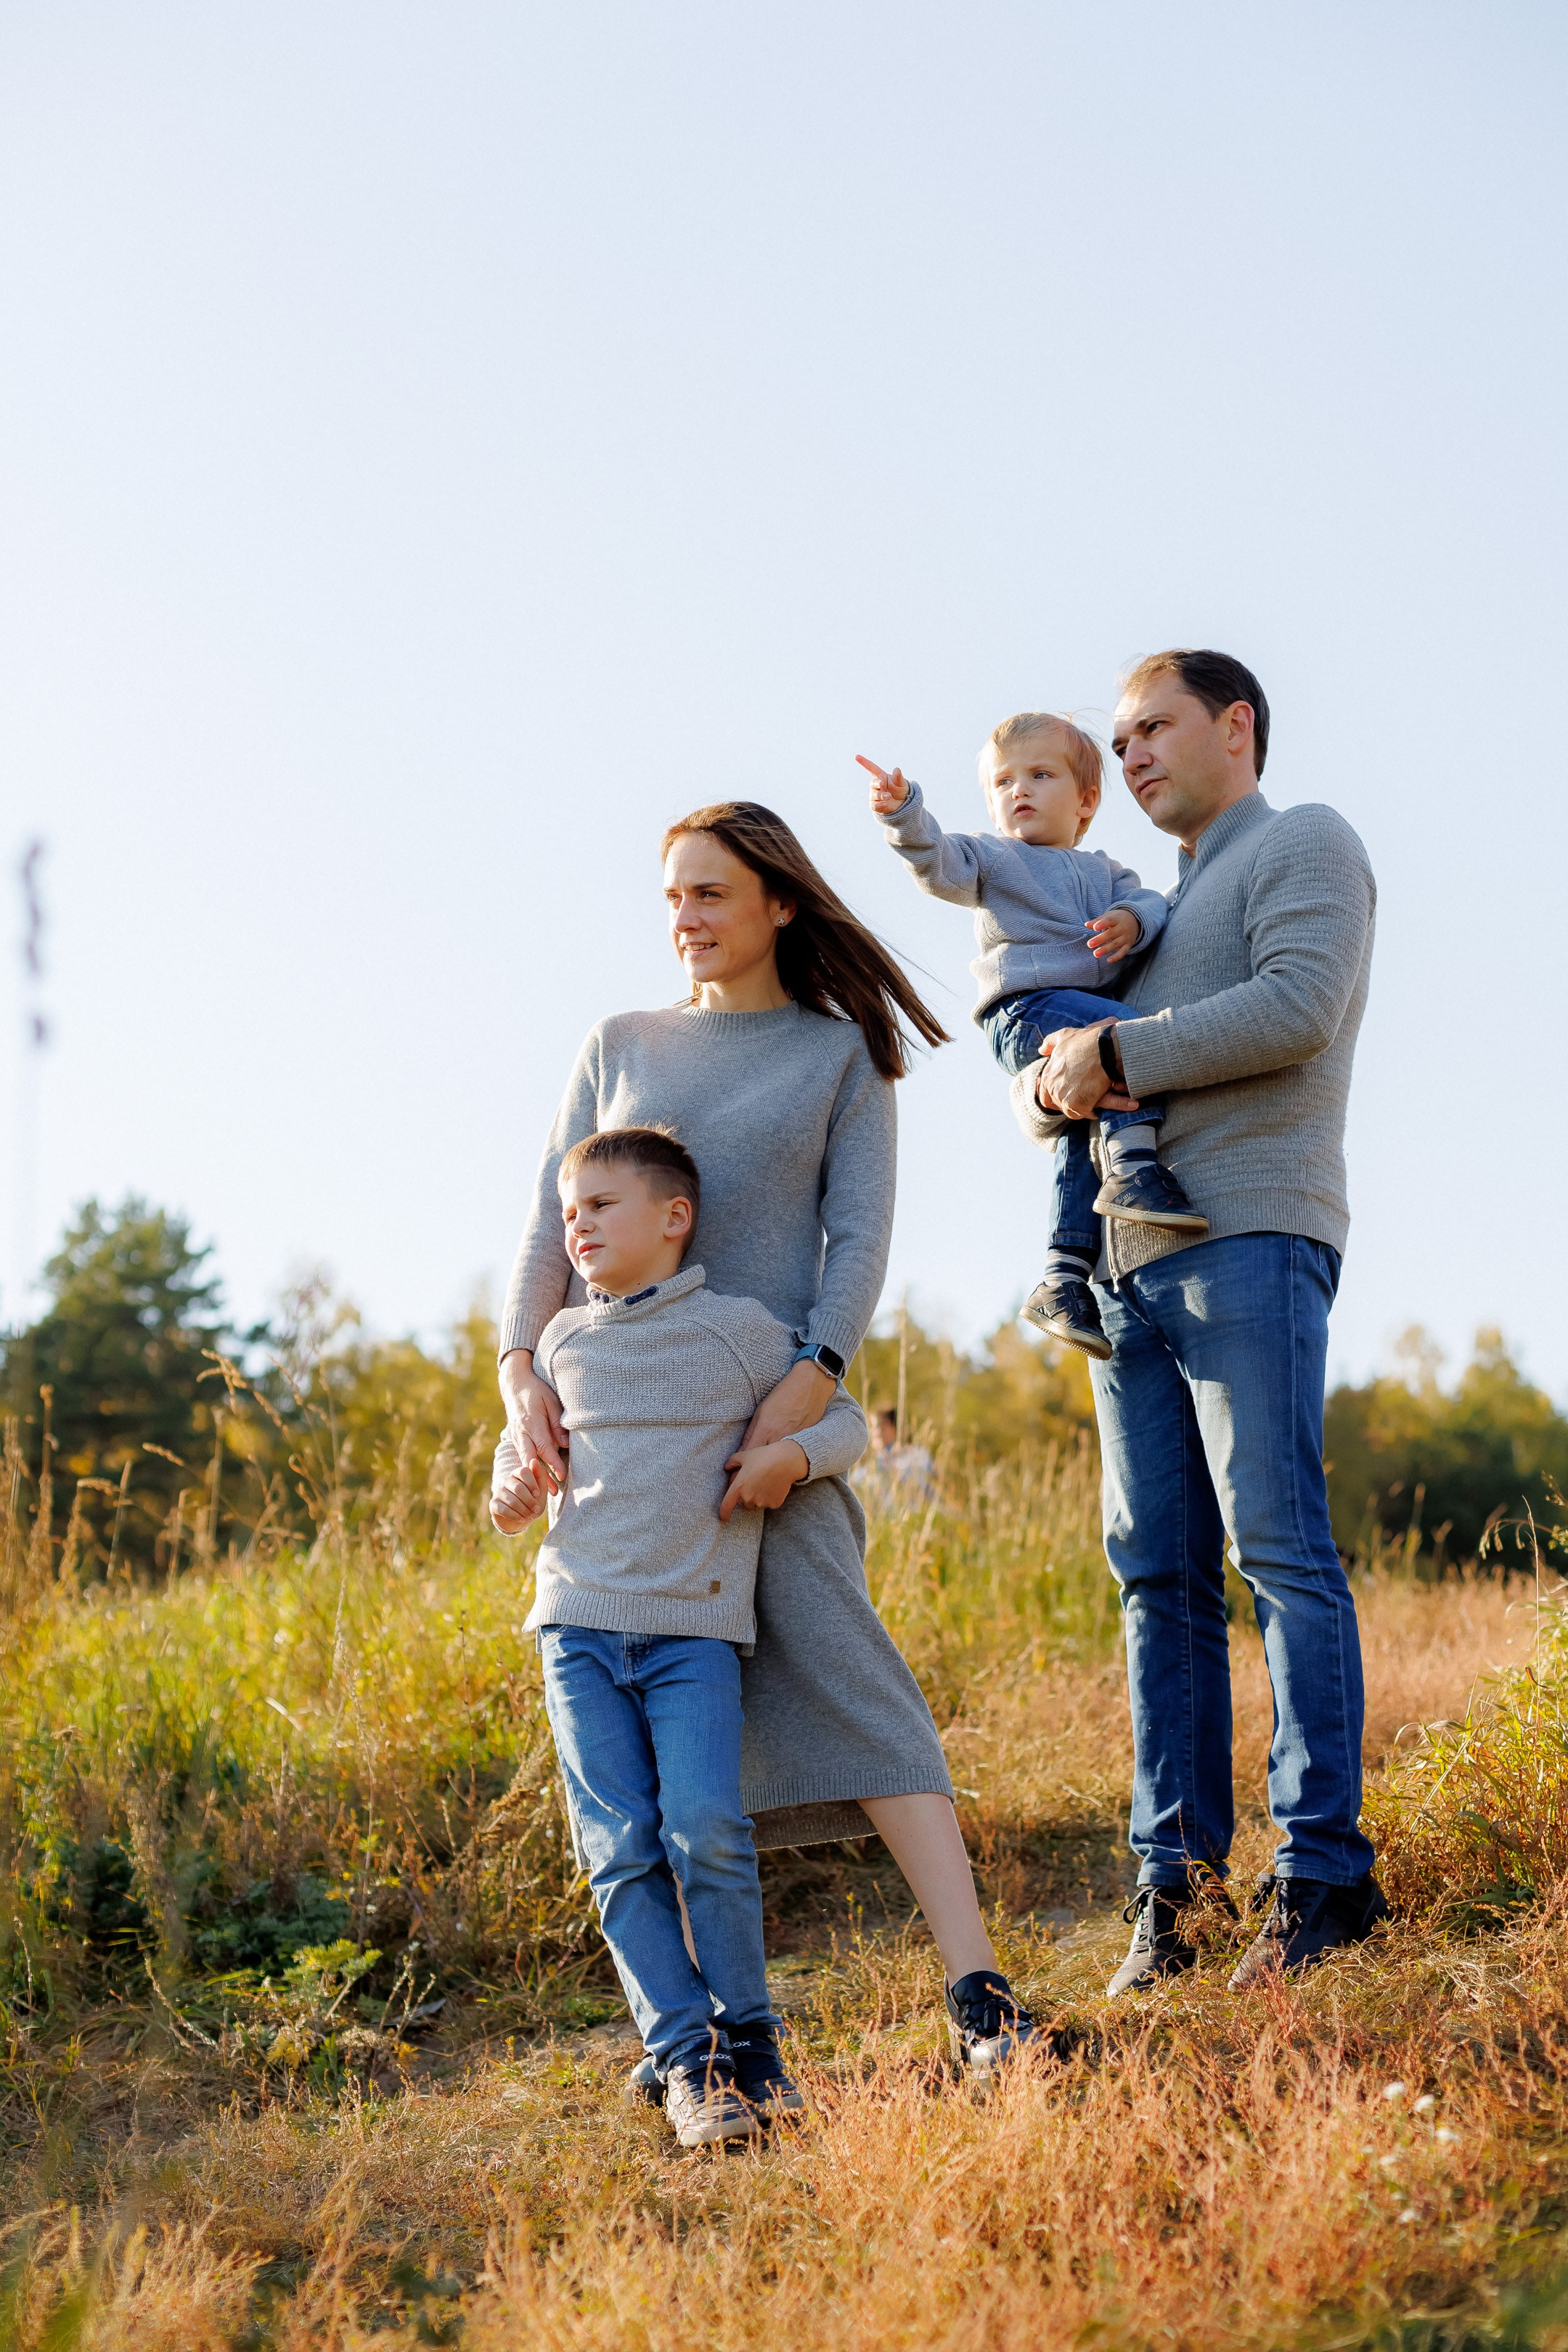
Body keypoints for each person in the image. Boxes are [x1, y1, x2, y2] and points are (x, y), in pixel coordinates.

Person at [499, 800, 1040, 2078]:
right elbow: (544, 1226)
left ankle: (978, 1994)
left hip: (767, 1420)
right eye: (672, 898)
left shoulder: (840, 1054)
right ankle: (706, 2042)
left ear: (778, 903)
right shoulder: (617, 1042)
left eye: (709, 896)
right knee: (658, 1779)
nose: (684, 921)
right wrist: (522, 1375)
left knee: (857, 1678)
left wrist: (803, 1395)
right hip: (625, 1437)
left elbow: (859, 1243)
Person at [1013, 648, 1387, 1993]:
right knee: (1154, 1577)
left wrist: (1111, 1054)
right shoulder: (1139, 920)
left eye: (1152, 728)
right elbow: (1050, 1057)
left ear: (1237, 725)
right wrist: (1054, 1079)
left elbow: (1297, 1008)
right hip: (1128, 1269)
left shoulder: (1305, 844)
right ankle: (1176, 1895)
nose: (1131, 756)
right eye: (1117, 742)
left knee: (1278, 1548)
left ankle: (1326, 1880)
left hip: (1251, 1235)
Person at [490, 1125, 867, 2146]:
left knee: (706, 1831)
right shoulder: (560, 1342)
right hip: (576, 1628)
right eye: (569, 1213)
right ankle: (685, 2061)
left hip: (693, 1634)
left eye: (600, 1207)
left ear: (674, 1217)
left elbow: (852, 1427)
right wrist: (516, 1488)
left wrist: (784, 1460)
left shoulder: (739, 1333)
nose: (579, 1227)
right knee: (618, 1848)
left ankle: (754, 2045)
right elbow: (510, 1480)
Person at [859, 716, 1206, 1363]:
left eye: (1040, 775)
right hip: (1025, 1009)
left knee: (1080, 1125)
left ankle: (1062, 1277)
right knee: (1126, 1041)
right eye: (1002, 781)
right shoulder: (991, 860)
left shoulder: (1107, 873)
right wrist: (905, 814)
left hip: (1080, 1015)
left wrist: (1131, 919)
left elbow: (1158, 904)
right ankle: (1134, 1171)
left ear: (1085, 801)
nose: (1019, 790)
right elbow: (937, 863)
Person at [850, 1405, 936, 1511]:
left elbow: (929, 1487)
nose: (872, 1433)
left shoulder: (917, 1455)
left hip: (912, 1518)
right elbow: (854, 1485)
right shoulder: (871, 1464)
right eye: (871, 1427)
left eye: (876, 1426)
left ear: (891, 1426)